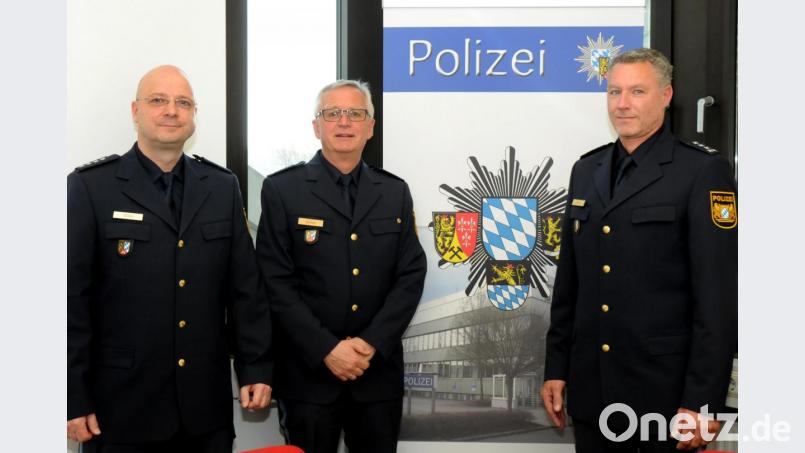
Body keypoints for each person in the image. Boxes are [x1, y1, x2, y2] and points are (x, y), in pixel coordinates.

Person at [67, 65, 273, 452]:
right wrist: (71, 393)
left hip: (203, 411)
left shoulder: (222, 186)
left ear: (194, 115)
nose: (171, 110)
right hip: (119, 410)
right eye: (158, 100)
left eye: (183, 102)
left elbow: (246, 290)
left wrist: (256, 367)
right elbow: (70, 300)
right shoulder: (91, 187)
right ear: (135, 111)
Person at [541, 48, 737, 452]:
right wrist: (556, 368)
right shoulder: (586, 170)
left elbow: (716, 298)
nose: (623, 104)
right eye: (614, 92)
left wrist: (702, 402)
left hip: (663, 402)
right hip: (593, 394)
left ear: (666, 96)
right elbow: (570, 284)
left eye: (637, 91)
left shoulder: (701, 171)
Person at [256, 79, 427, 453]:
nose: (344, 122)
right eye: (332, 113)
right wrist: (327, 349)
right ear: (317, 126)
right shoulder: (283, 190)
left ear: (370, 126)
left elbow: (410, 275)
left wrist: (369, 343)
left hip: (375, 375)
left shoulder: (394, 191)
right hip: (309, 376)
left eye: (355, 113)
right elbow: (275, 282)